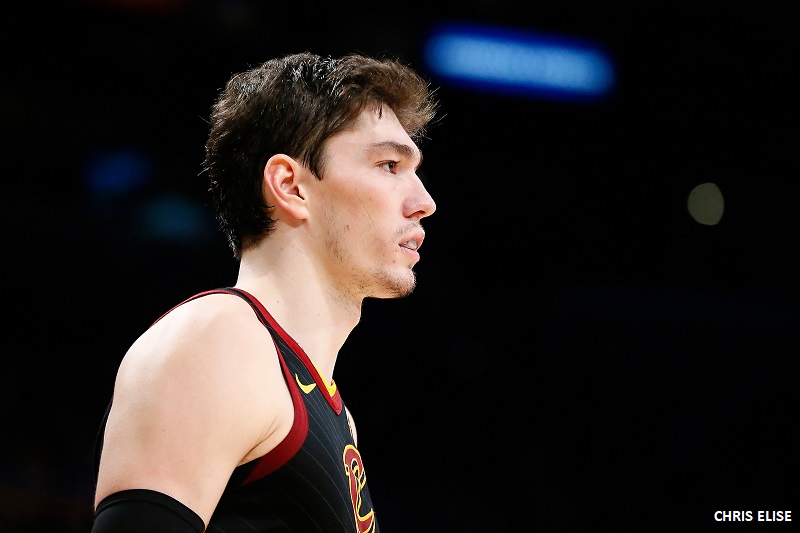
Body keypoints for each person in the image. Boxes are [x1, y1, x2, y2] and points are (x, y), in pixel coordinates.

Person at [91, 51, 439, 532]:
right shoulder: (216, 341)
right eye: (388, 165)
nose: (424, 202)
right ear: (290, 186)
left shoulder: (330, 409)